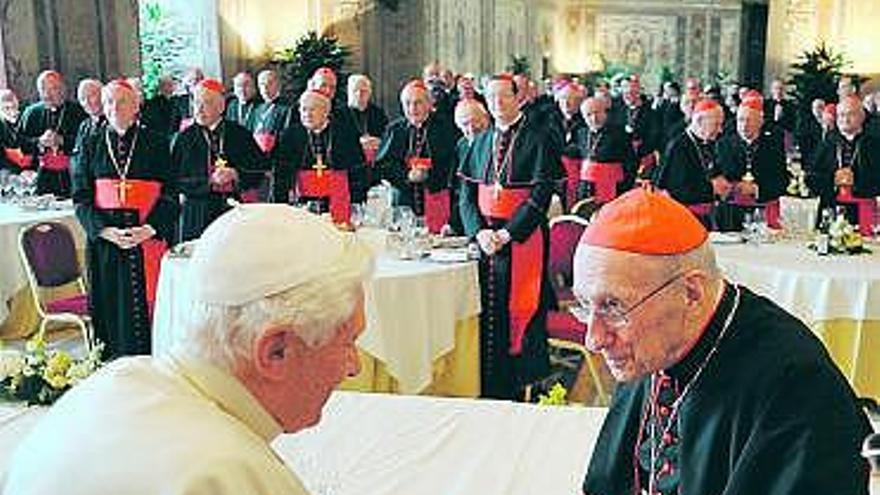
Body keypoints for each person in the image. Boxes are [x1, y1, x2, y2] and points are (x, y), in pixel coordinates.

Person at [1, 203, 372, 495]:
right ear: (275, 351)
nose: (355, 367)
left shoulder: (116, 379)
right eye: (349, 342)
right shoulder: (226, 476)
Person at [575, 188, 872, 495]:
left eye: (614, 307)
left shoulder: (797, 384)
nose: (593, 339)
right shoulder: (650, 346)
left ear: (691, 293)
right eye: (584, 305)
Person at [457, 74, 555, 400]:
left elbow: (540, 195)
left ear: (518, 98)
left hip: (522, 240)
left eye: (504, 96)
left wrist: (507, 233)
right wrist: (479, 232)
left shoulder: (539, 138)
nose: (498, 103)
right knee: (486, 315)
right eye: (492, 97)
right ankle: (485, 386)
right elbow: (466, 194)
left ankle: (520, 388)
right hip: (486, 242)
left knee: (521, 314)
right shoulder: (481, 141)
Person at [71, 80, 177, 358]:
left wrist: (150, 228)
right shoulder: (90, 142)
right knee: (111, 309)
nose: (114, 108)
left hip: (147, 241)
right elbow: (80, 198)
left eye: (121, 102)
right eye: (108, 103)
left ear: (136, 106)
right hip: (107, 244)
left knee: (150, 308)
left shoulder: (155, 142)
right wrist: (103, 230)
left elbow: (171, 194)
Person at [171, 78, 268, 242]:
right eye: (196, 103)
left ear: (221, 106)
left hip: (232, 211)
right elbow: (173, 180)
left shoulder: (240, 134)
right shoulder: (183, 139)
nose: (199, 109)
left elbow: (260, 170)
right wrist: (209, 181)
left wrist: (236, 174)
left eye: (206, 103)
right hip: (196, 213)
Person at [375, 78, 459, 233]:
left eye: (418, 102)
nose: (412, 108)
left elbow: (454, 164)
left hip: (436, 198)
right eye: (407, 103)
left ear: (429, 104)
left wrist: (429, 174)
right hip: (403, 201)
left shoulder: (446, 128)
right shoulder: (395, 130)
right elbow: (382, 165)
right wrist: (407, 175)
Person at [272, 89, 365, 224]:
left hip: (338, 204)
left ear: (326, 111)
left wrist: (357, 204)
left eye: (312, 109)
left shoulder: (345, 133)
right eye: (303, 110)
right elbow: (280, 174)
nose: (307, 114)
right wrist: (280, 208)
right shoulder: (290, 135)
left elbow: (358, 171)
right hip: (301, 206)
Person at [809, 95, 880, 235]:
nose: (845, 119)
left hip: (864, 213)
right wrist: (833, 180)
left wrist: (856, 181)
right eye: (841, 115)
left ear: (862, 116)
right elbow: (810, 178)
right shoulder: (827, 142)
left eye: (851, 114)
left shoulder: (874, 144)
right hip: (830, 210)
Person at [715, 96, 789, 231]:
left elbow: (782, 181)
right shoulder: (723, 144)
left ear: (760, 121)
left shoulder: (773, 146)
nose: (744, 125)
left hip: (762, 212)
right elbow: (716, 177)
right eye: (741, 120)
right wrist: (733, 186)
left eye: (750, 120)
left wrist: (756, 189)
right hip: (730, 213)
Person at [654, 99, 725, 228]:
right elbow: (677, 191)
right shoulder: (679, 147)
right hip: (685, 218)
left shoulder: (708, 142)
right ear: (699, 122)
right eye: (716, 124)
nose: (720, 130)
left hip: (706, 216)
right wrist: (712, 188)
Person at [18, 70, 87, 197]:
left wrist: (62, 141)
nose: (48, 94)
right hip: (43, 178)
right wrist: (39, 142)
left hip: (73, 177)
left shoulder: (79, 112)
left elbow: (87, 144)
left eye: (54, 88)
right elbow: (20, 145)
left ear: (63, 89)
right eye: (44, 89)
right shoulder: (31, 113)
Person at [569, 96, 634, 205]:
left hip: (612, 186)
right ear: (583, 117)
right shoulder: (581, 133)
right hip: (586, 187)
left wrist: (624, 188)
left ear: (605, 113)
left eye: (597, 112)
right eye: (589, 115)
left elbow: (631, 163)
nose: (594, 118)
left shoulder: (619, 134)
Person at [343, 74, 388, 182]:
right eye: (355, 91)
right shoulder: (340, 114)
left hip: (375, 160)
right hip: (351, 163)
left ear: (369, 93)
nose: (359, 94)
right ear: (348, 92)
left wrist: (379, 141)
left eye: (363, 91)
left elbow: (387, 136)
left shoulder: (377, 113)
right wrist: (357, 142)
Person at [0, 89, 26, 172]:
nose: (12, 111)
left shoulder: (26, 114)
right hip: (9, 167)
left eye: (14, 106)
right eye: (6, 108)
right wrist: (20, 171)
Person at [74, 79, 105, 149]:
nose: (87, 102)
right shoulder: (84, 126)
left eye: (91, 96)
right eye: (83, 99)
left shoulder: (113, 122)